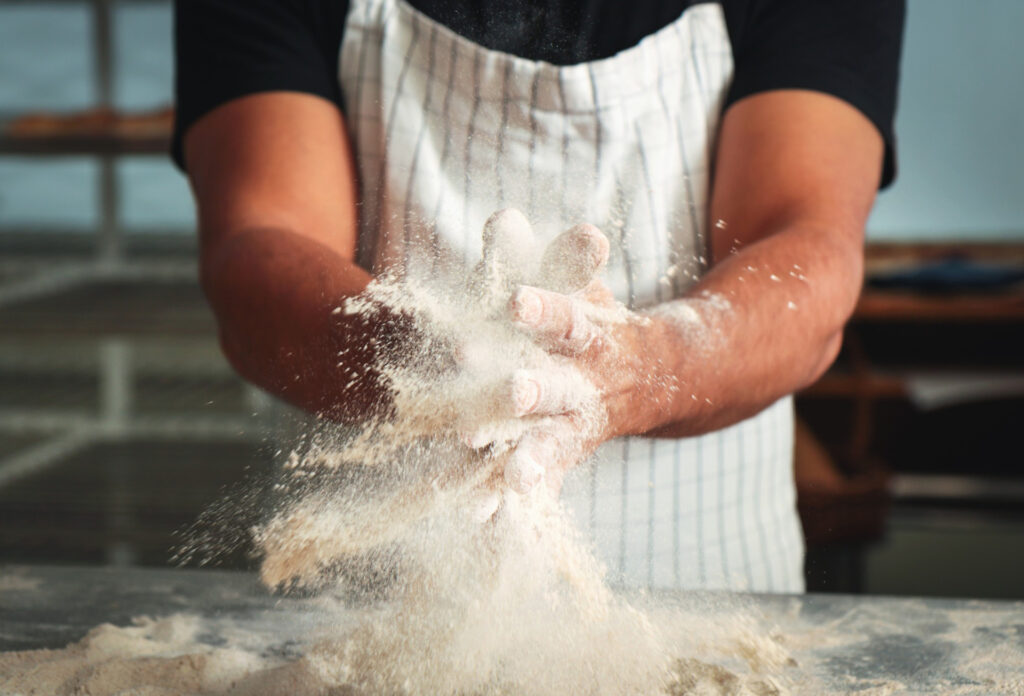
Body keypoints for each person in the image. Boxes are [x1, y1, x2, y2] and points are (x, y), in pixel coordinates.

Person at [173, 0, 905, 593]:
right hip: (359, 624)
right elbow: (256, 251)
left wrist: (633, 368)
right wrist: (424, 358)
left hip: (713, 606)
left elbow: (808, 252)